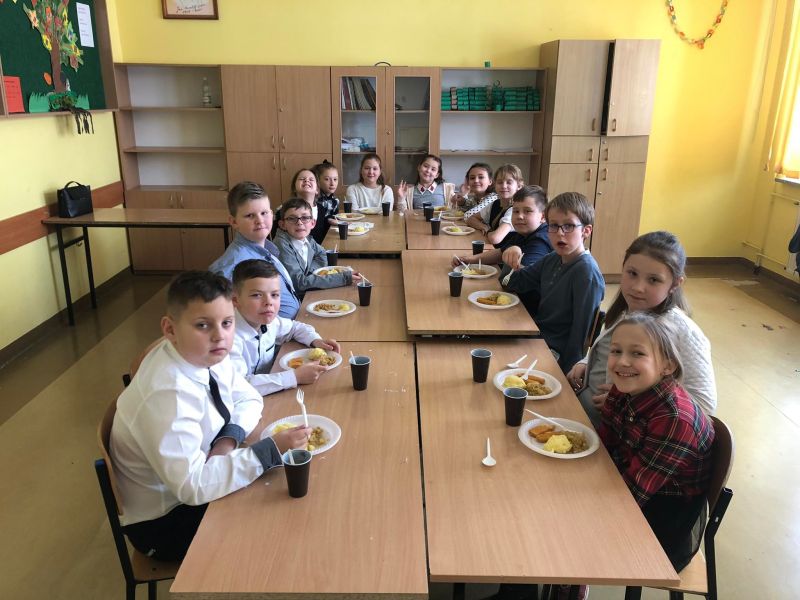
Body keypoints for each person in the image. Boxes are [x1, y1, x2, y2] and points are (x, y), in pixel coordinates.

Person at [110, 271, 311, 560]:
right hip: (166, 519)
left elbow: (249, 397)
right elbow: (192, 487)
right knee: (284, 520)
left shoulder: (203, 352)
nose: (220, 336)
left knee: (288, 488)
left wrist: (227, 440)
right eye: (202, 325)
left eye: (227, 323)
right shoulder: (166, 393)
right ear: (170, 329)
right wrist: (269, 451)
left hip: (202, 469)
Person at [600, 311, 715, 571]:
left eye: (637, 353)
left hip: (661, 525)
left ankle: (568, 583)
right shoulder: (624, 387)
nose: (622, 361)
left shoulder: (675, 420)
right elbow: (604, 445)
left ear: (667, 366)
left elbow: (632, 495)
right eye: (616, 351)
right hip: (628, 486)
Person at [567, 231, 717, 428]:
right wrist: (587, 362)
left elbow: (704, 406)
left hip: (620, 433)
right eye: (632, 274)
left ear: (675, 284)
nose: (638, 287)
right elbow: (612, 347)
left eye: (653, 280)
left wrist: (630, 403)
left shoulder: (684, 332)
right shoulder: (626, 310)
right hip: (584, 413)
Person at [505, 192, 604, 373]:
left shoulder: (586, 273)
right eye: (554, 225)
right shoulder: (553, 258)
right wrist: (512, 253)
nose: (559, 233)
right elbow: (514, 283)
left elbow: (580, 336)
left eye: (568, 226)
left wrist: (564, 374)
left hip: (555, 353)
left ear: (586, 231)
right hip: (535, 336)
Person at [230, 259, 340, 395]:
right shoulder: (227, 338)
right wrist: (295, 377)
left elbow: (294, 328)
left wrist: (315, 340)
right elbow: (237, 387)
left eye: (274, 295)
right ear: (235, 300)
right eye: (257, 295)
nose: (269, 302)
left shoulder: (268, 321)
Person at [209, 181, 301, 319]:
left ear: (272, 214)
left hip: (295, 324)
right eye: (250, 216)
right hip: (272, 332)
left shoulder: (267, 250)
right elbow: (226, 319)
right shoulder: (232, 267)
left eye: (264, 213)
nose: (260, 220)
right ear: (234, 222)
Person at [452, 185, 551, 278]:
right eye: (516, 211)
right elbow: (500, 253)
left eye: (527, 211)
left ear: (543, 217)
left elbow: (516, 280)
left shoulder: (540, 241)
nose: (520, 216)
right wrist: (468, 259)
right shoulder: (524, 233)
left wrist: (508, 262)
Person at [273, 198, 362, 294]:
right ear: (282, 224)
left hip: (307, 291)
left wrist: (309, 274)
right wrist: (344, 277)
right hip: (295, 297)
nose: (299, 222)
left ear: (313, 223)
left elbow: (322, 254)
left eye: (305, 218)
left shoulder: (307, 239)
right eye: (292, 218)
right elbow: (299, 284)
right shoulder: (281, 245)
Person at [464, 164, 523, 242]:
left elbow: (495, 238)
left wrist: (488, 231)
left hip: (507, 248)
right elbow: (470, 219)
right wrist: (484, 227)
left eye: (509, 182)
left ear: (519, 186)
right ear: (495, 185)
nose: (504, 186)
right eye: (500, 182)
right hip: (492, 246)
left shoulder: (515, 210)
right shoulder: (495, 204)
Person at [311, 160, 341, 243]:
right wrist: (328, 220)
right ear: (317, 181)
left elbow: (335, 216)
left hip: (331, 234)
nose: (332, 183)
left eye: (335, 179)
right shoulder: (315, 200)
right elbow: (317, 223)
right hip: (318, 239)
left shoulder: (334, 200)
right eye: (327, 179)